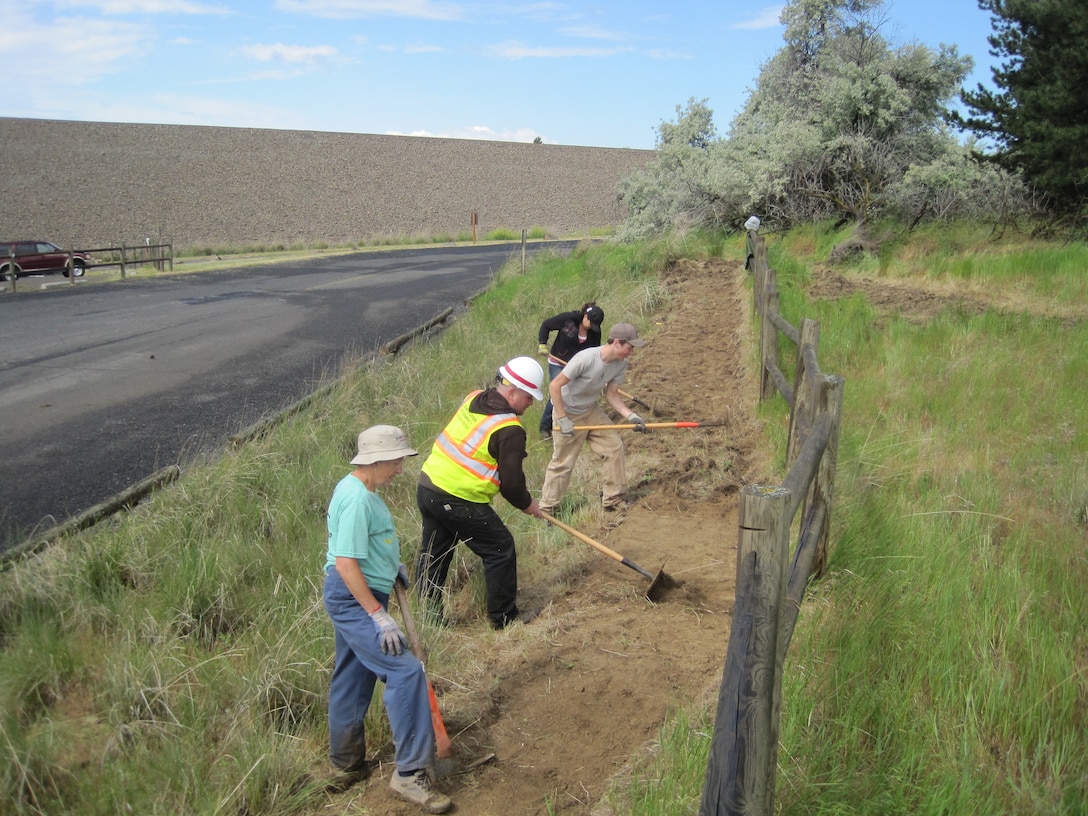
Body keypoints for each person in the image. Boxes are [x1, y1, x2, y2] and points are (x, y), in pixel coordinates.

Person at [322, 425, 453, 814]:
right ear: (374, 460)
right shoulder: (359, 500)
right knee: (406, 672)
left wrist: (386, 566)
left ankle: (345, 763)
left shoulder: (360, 490)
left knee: (352, 674)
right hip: (354, 599)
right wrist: (378, 615)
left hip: (363, 591)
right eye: (395, 461)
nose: (399, 469)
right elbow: (345, 563)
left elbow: (357, 550)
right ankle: (410, 773)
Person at [415, 356, 546, 629]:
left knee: (434, 555)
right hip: (458, 498)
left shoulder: (475, 397)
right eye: (530, 397)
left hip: (429, 486)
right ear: (513, 392)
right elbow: (511, 485)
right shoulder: (509, 429)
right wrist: (528, 504)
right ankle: (504, 619)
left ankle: (428, 619)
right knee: (500, 548)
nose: (531, 403)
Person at [539, 323, 648, 514]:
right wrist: (562, 418)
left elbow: (612, 394)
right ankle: (547, 510)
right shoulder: (586, 359)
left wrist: (631, 416)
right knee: (563, 463)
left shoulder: (620, 363)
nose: (631, 353)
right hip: (568, 412)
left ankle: (613, 499)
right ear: (616, 343)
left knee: (614, 447)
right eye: (629, 348)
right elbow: (555, 386)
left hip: (591, 411)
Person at [536, 303, 605, 440]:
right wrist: (542, 344)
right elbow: (546, 325)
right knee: (558, 392)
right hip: (558, 363)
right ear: (585, 316)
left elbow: (594, 351)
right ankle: (546, 427)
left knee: (574, 393)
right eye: (591, 323)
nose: (592, 327)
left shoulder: (595, 331)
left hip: (577, 367)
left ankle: (572, 419)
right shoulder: (567, 319)